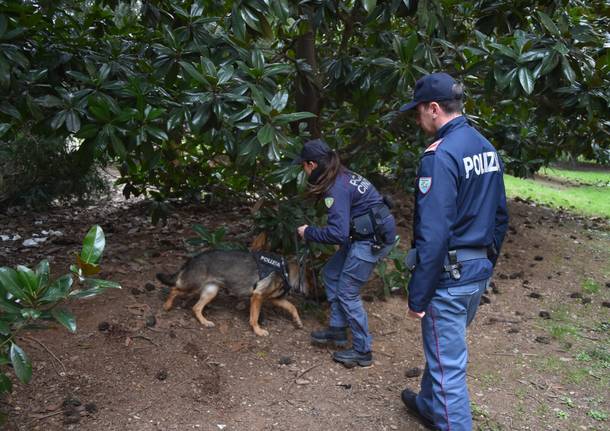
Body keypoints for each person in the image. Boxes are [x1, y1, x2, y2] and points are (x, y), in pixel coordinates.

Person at [398, 72, 509, 430]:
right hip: (475, 273)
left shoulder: (440, 156)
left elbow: (433, 233)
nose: (418, 119)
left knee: (449, 373)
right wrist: (485, 266)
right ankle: (428, 405)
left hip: (450, 278)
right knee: (444, 354)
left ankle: (444, 412)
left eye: (419, 112)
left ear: (434, 108)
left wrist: (418, 295)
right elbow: (500, 217)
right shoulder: (485, 147)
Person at [295, 138, 396, 368]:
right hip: (365, 235)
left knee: (347, 292)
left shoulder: (336, 187)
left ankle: (363, 351)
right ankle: (338, 329)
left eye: (304, 165)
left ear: (312, 164)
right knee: (331, 273)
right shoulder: (342, 176)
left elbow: (337, 234)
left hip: (371, 241)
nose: (304, 169)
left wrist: (309, 232)